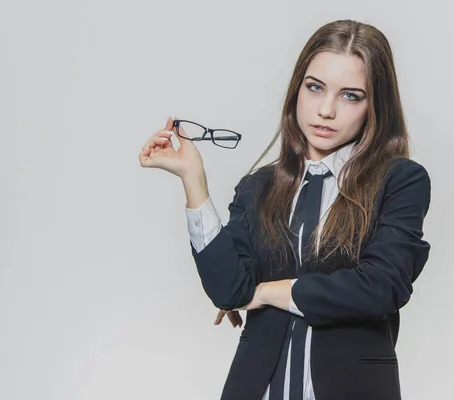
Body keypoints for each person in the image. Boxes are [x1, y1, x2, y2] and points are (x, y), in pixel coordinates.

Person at [140, 19, 431, 400]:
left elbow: (380, 286)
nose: (326, 110)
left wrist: (265, 292)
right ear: (297, 89)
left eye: (350, 96)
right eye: (315, 88)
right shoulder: (259, 186)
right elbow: (229, 291)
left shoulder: (399, 180)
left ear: (375, 105)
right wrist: (193, 180)